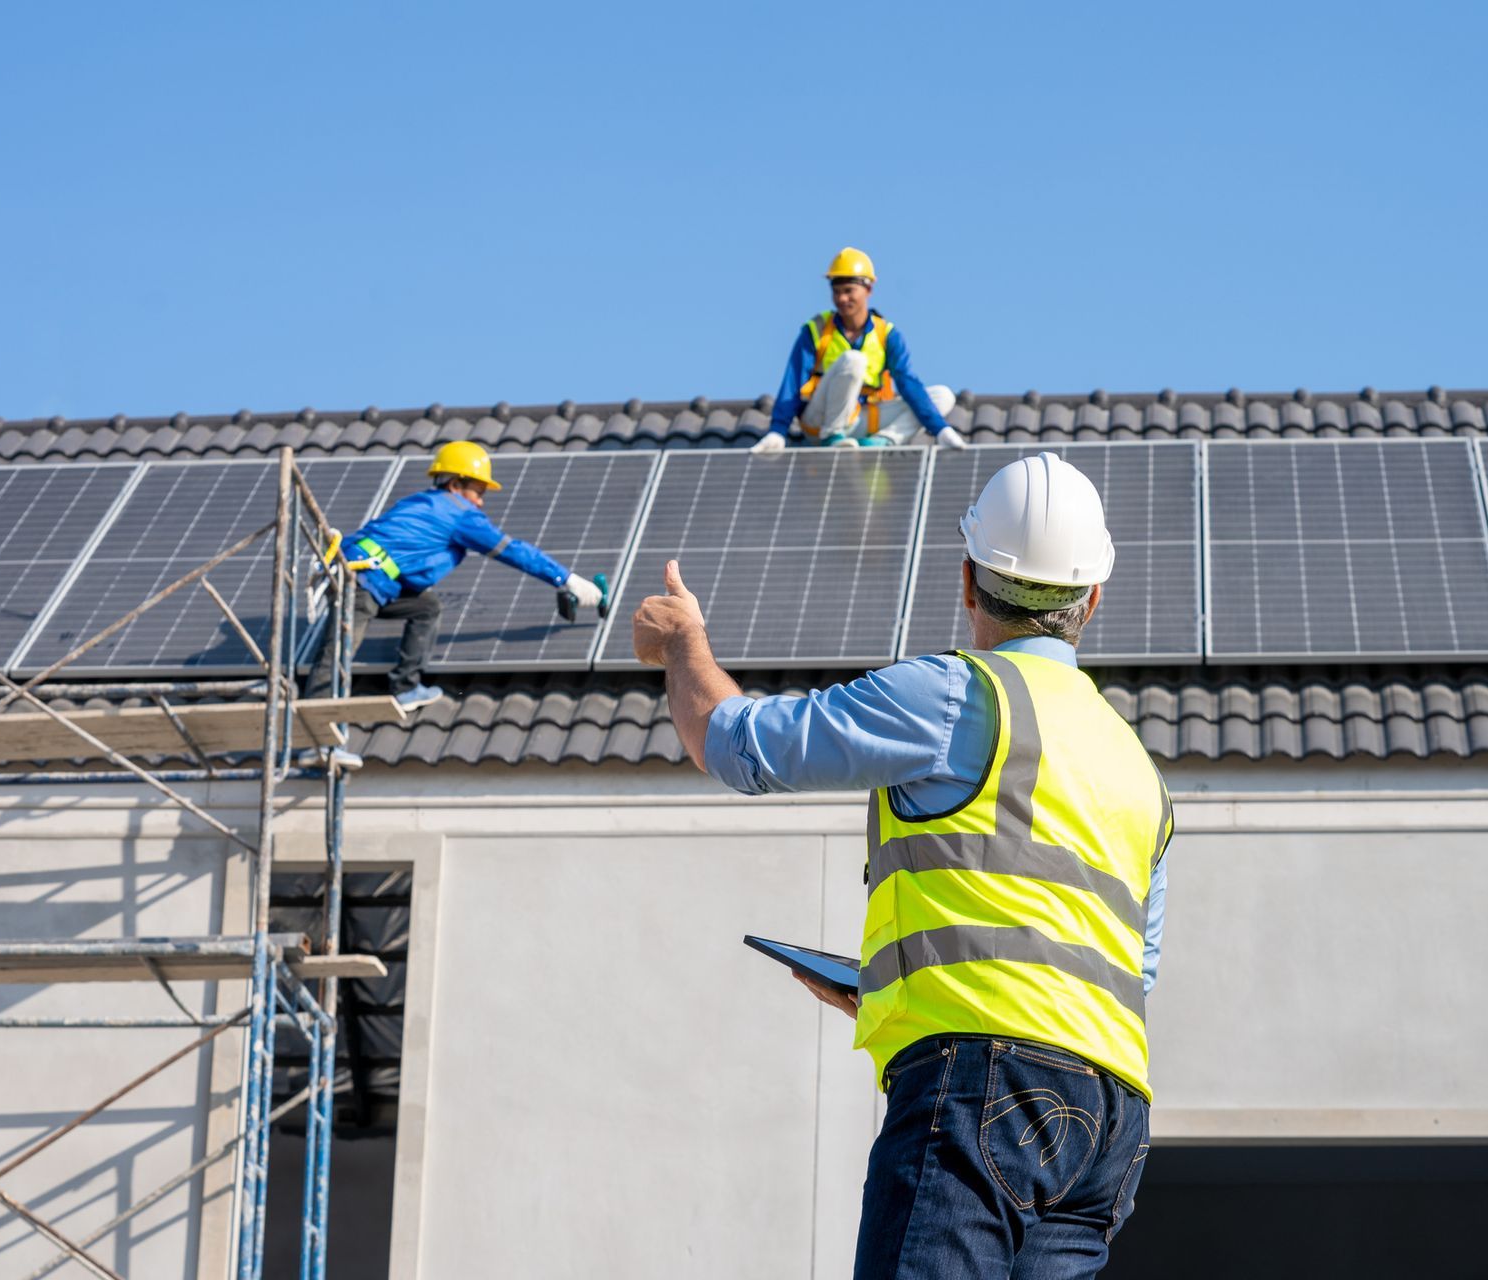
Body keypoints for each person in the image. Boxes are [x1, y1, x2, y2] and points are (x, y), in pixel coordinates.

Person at [631, 453, 1172, 1278]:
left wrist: (682, 646)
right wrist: (896, 988)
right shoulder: (1139, 768)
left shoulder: (955, 696)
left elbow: (736, 744)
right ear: (1092, 597)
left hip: (980, 1082)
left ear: (967, 580)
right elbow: (1124, 969)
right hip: (1108, 1124)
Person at [304, 440, 604, 709]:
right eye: (478, 491)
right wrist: (566, 579)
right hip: (362, 581)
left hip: (364, 575)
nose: (481, 501)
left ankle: (406, 688)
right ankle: (312, 729)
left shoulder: (421, 502)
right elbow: (513, 551)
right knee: (337, 656)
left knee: (427, 606)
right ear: (456, 484)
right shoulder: (459, 513)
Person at [750, 247, 968, 453]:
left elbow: (908, 383)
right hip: (821, 421)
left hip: (864, 419)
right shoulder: (816, 330)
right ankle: (833, 437)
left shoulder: (887, 335)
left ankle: (883, 441)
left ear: (868, 289)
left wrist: (941, 429)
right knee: (854, 360)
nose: (842, 299)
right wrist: (778, 431)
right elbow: (793, 382)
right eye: (836, 292)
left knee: (942, 396)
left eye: (848, 291)